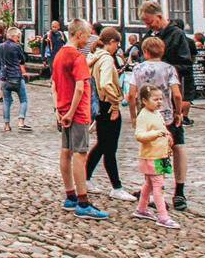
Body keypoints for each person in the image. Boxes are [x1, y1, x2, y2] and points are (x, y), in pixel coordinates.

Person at [52, 19, 108, 220]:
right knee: (80, 154)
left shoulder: (59, 55)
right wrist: (71, 112)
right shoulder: (77, 57)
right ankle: (83, 202)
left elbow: (54, 85)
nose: (89, 38)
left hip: (64, 110)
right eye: (87, 35)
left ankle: (70, 196)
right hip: (77, 113)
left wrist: (59, 110)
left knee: (66, 152)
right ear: (79, 34)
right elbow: (79, 88)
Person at [140, 0, 192, 211]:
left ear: (159, 16)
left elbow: (186, 66)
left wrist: (162, 69)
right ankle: (154, 188)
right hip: (151, 104)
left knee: (177, 144)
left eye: (149, 21)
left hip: (169, 101)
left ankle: (179, 191)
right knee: (153, 147)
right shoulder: (149, 36)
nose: (147, 26)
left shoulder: (176, 35)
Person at [128, 37, 183, 213]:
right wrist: (179, 112)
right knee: (163, 154)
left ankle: (152, 189)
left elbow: (131, 95)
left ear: (145, 52)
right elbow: (177, 95)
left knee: (149, 154)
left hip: (146, 117)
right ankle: (158, 188)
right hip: (165, 117)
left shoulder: (138, 68)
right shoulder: (169, 69)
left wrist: (133, 116)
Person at [85, 28, 136, 202]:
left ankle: (86, 178)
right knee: (110, 148)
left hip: (99, 105)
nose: (117, 47)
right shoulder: (106, 59)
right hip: (107, 105)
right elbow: (106, 83)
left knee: (101, 145)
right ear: (112, 42)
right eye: (117, 44)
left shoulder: (94, 56)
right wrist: (115, 103)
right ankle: (117, 187)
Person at [133, 84, 180, 229]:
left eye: (160, 99)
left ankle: (141, 208)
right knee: (158, 186)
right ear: (144, 101)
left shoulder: (156, 113)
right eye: (155, 99)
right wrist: (156, 134)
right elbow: (139, 135)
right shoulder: (143, 116)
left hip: (161, 154)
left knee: (149, 183)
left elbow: (162, 128)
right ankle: (163, 216)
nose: (159, 102)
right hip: (152, 156)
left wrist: (167, 135)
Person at [0, 27, 31, 132]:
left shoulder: (1, 46)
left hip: (4, 77)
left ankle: (7, 125)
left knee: (6, 101)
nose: (18, 39)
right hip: (16, 76)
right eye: (18, 37)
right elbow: (23, 60)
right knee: (24, 100)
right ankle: (21, 121)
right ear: (14, 36)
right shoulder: (17, 47)